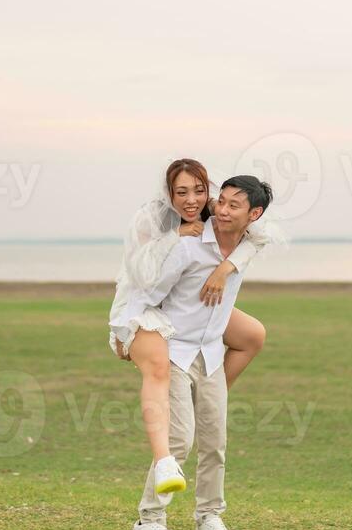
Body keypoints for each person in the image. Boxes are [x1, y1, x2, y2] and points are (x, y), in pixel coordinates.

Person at [108, 159, 273, 497]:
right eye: (181, 192)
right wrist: (129, 333)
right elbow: (145, 288)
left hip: (207, 345)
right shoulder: (167, 231)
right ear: (169, 195)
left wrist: (224, 268)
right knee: (179, 439)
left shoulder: (222, 217)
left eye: (199, 191)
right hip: (160, 319)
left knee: (252, 337)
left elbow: (259, 239)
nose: (192, 200)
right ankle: (150, 521)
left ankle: (210, 515)